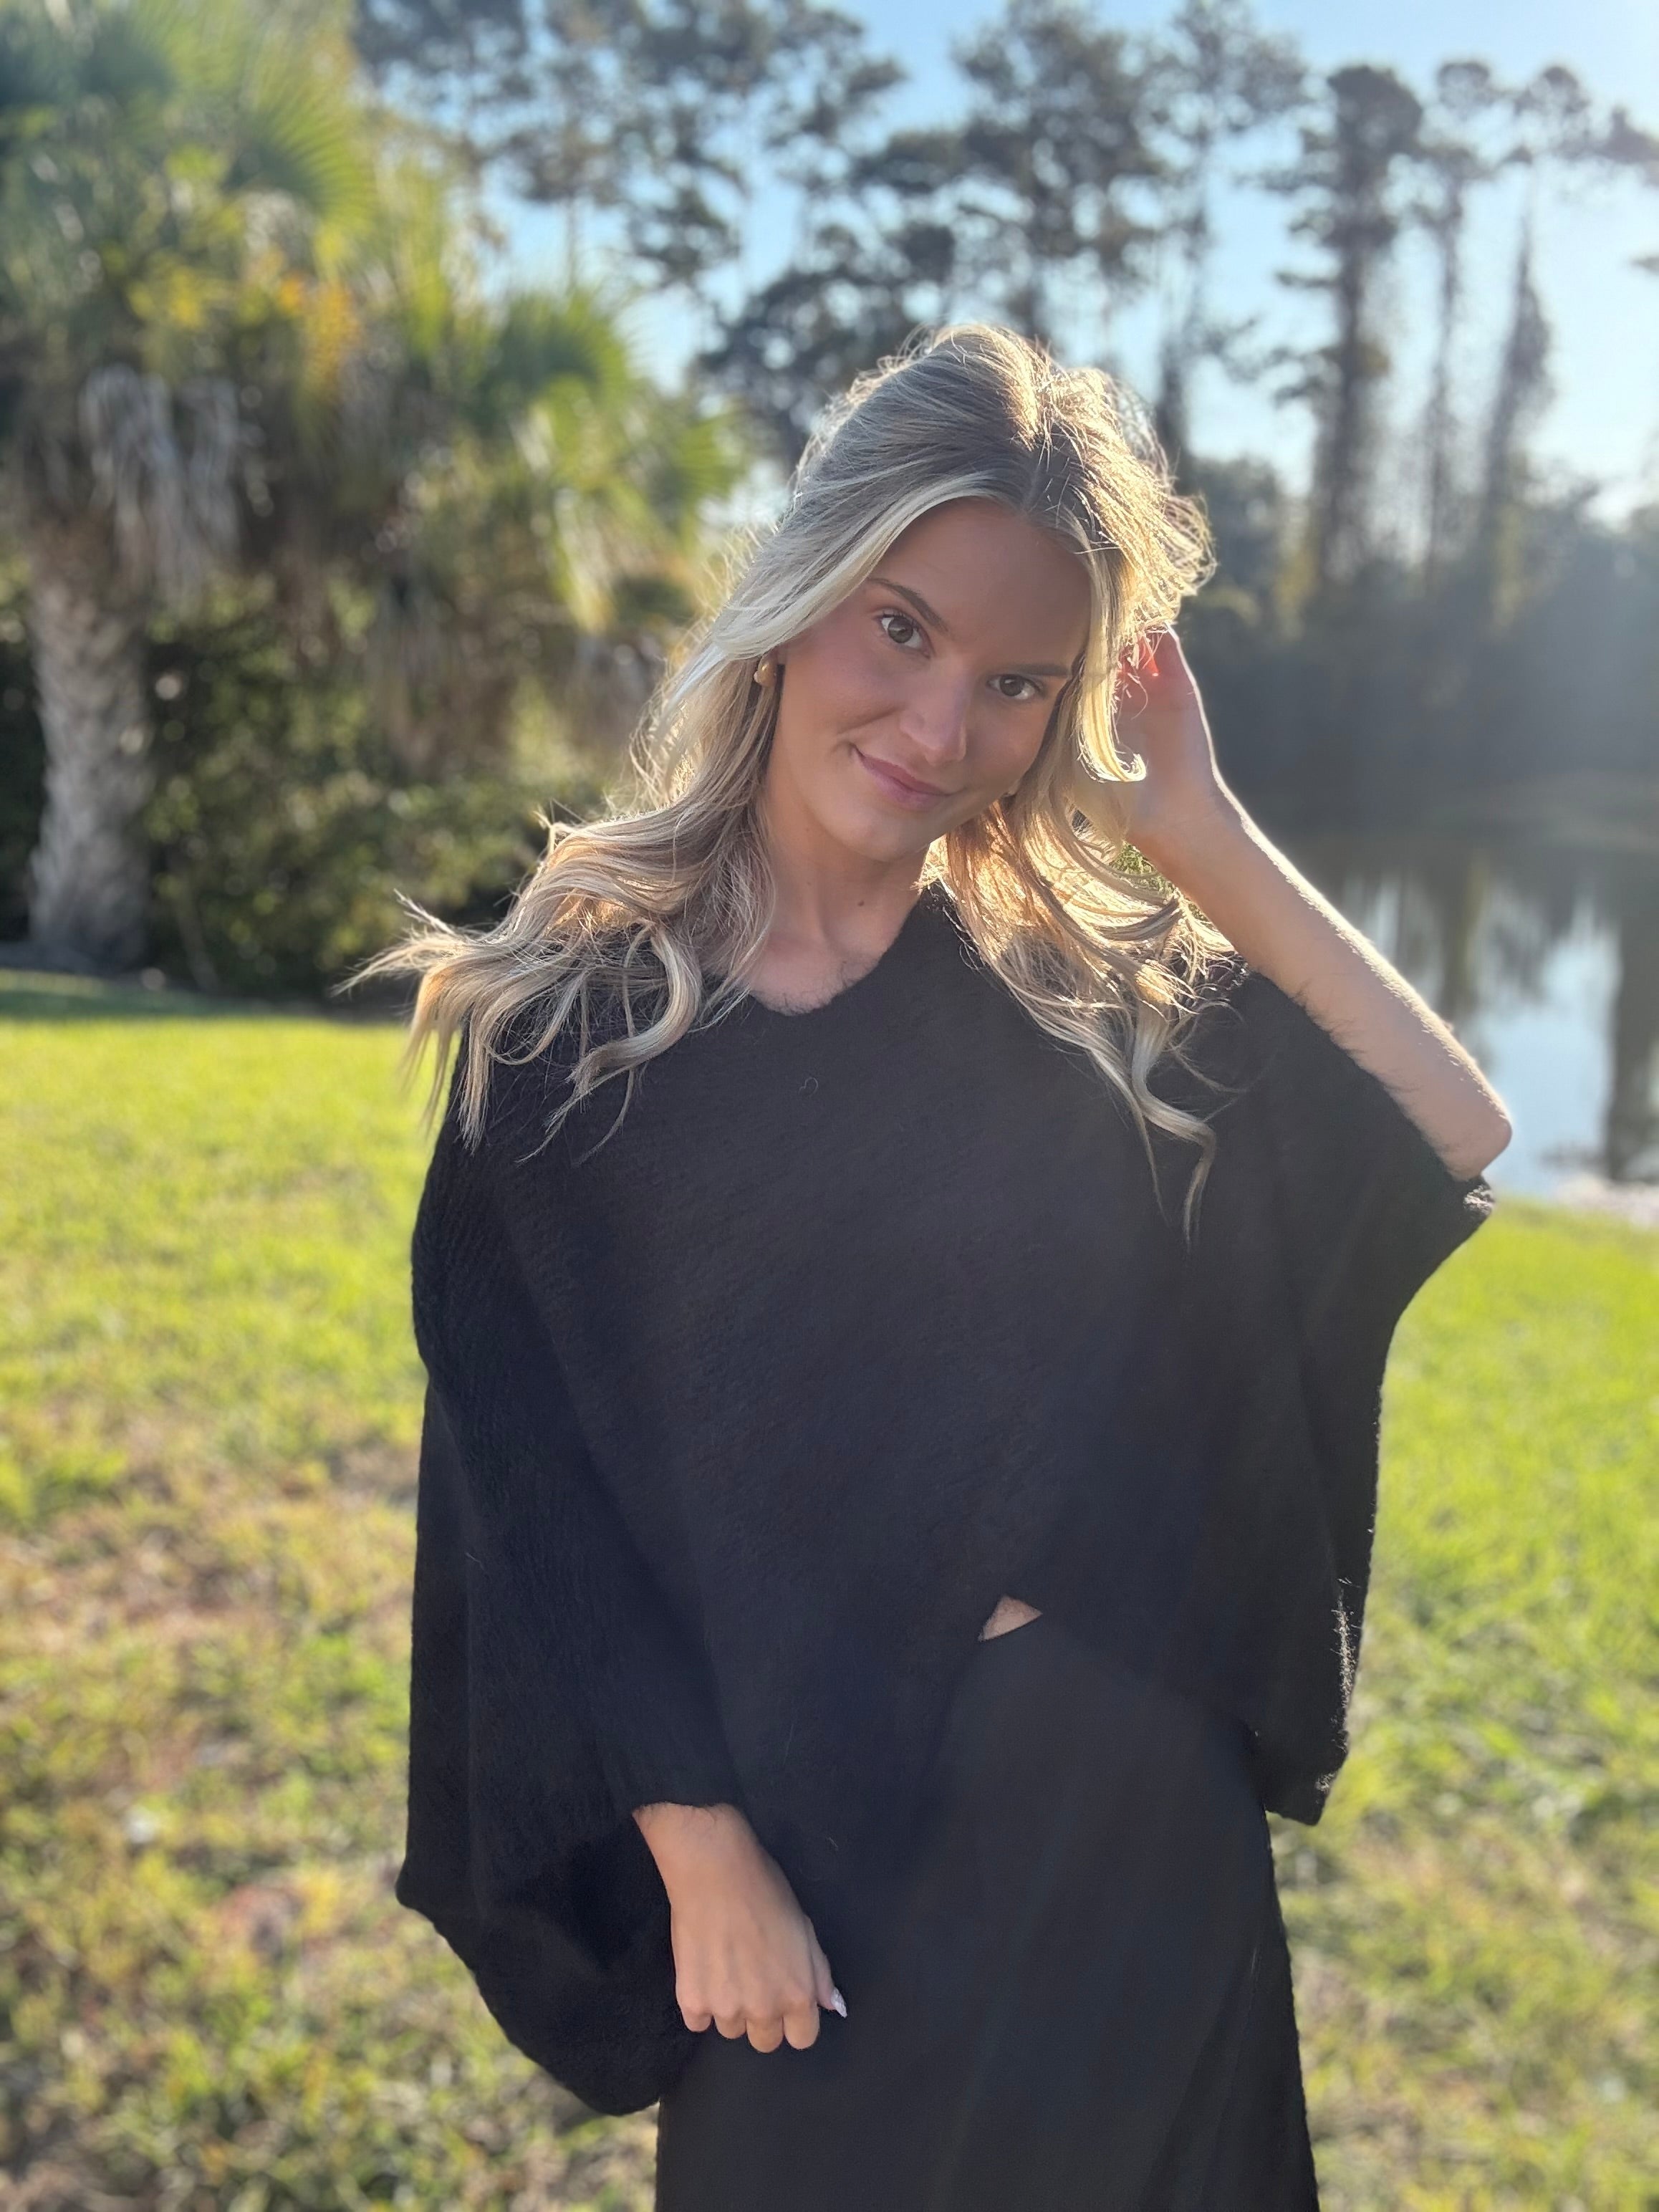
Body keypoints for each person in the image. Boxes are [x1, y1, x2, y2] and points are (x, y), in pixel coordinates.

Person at [367, 323, 1508, 2208]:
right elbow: (538, 1499)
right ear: (798, 592)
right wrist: (701, 1855)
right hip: (808, 1874)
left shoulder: (1081, 1003)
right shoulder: (566, 1037)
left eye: (1014, 682)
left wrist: (1199, 833)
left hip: (1139, 1842)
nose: (938, 725)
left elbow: (1447, 1130)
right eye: (898, 629)